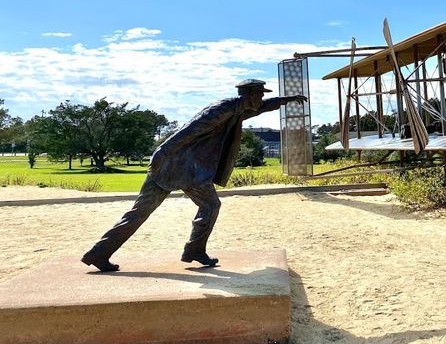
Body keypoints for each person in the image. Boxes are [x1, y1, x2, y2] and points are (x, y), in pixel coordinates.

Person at [81, 79, 307, 272]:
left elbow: (265, 107)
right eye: (258, 94)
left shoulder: (237, 109)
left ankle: (103, 253)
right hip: (178, 165)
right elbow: (190, 130)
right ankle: (192, 249)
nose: (260, 98)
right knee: (153, 211)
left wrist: (288, 99)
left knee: (185, 208)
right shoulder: (222, 109)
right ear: (249, 95)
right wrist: (162, 152)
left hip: (184, 168)